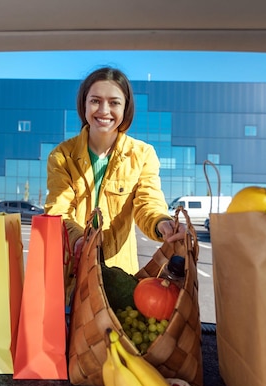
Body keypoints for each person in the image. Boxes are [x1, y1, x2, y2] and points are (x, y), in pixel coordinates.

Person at [45, 66, 187, 281]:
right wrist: (79, 241)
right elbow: (59, 210)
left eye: (114, 102)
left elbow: (148, 202)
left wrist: (162, 223)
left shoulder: (142, 154)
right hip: (72, 273)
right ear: (84, 104)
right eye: (95, 101)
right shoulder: (61, 156)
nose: (104, 110)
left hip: (120, 275)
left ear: (125, 108)